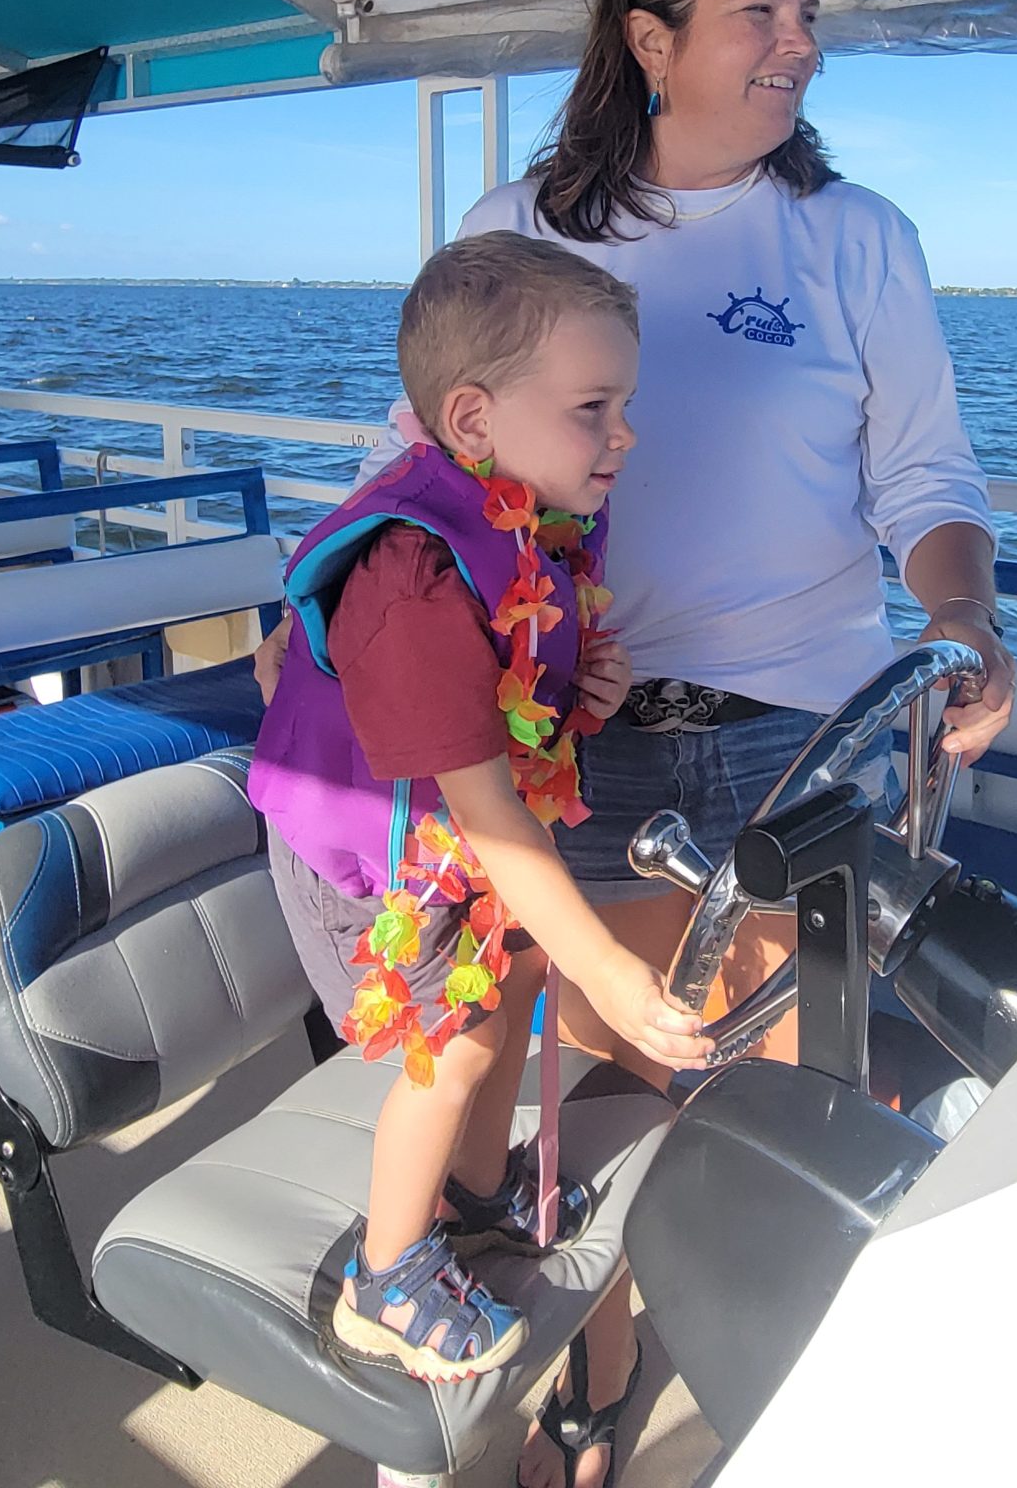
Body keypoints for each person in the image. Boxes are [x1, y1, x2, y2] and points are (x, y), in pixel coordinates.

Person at [260, 0, 1016, 1486]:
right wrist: (308, 633)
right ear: (650, 37)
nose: (803, 41)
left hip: (788, 740)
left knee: (737, 1093)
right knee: (529, 1091)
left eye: (809, 13)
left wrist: (966, 619)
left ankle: (694, 1391)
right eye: (764, 9)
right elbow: (425, 475)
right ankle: (568, 1377)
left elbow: (927, 481)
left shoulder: (853, 236)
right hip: (564, 746)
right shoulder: (509, 231)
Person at [248, 231, 707, 1385]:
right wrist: (605, 962)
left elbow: (522, 665)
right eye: (595, 406)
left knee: (507, 986)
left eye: (624, 403)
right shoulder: (411, 568)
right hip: (371, 855)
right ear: (471, 422)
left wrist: (583, 681)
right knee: (449, 1041)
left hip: (455, 832)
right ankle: (385, 1276)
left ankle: (473, 1185)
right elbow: (485, 802)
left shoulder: (526, 512)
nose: (625, 434)